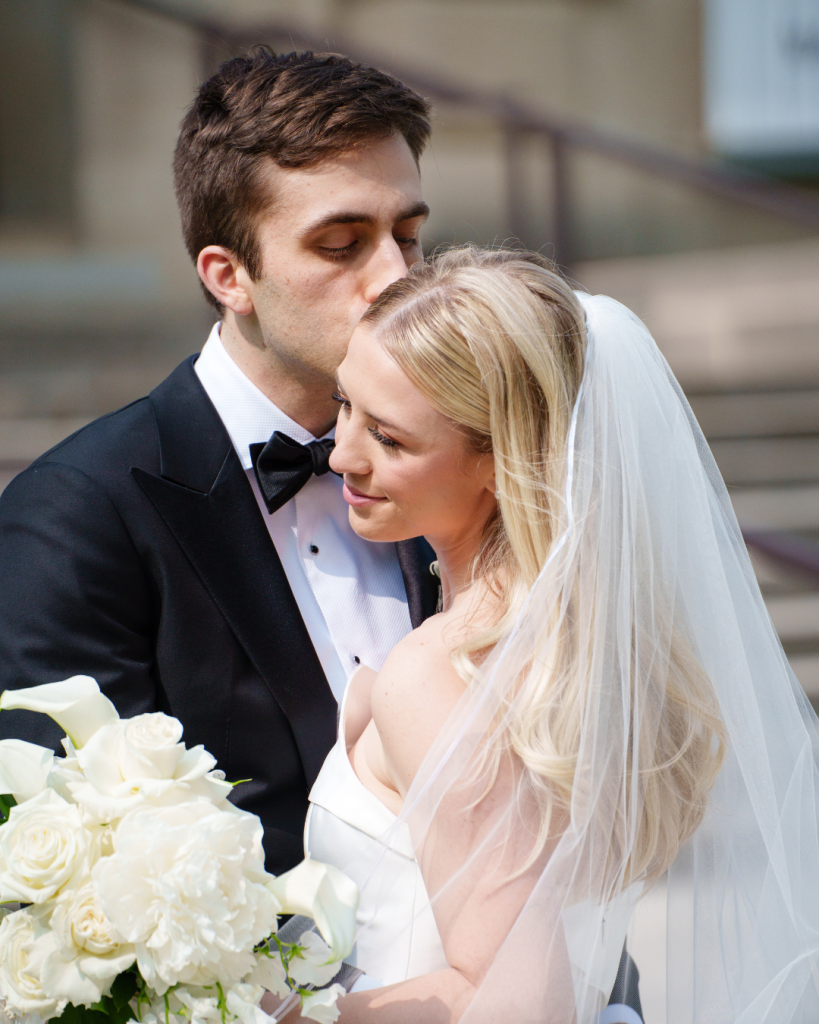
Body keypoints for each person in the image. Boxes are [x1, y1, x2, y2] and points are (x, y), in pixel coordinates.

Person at [290, 245, 819, 1022]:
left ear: (500, 458)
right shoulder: (584, 645)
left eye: (390, 439)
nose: (341, 454)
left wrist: (267, 1015)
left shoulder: (438, 672)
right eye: (344, 405)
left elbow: (517, 1002)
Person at [0, 49, 438, 874]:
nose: (396, 277)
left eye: (408, 236)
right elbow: (69, 871)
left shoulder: (467, 462)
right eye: (341, 244)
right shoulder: (75, 515)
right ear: (229, 276)